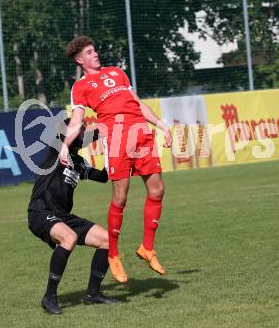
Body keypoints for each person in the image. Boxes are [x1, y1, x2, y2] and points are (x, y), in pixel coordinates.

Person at [59, 36, 172, 284]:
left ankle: (147, 248)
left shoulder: (118, 73)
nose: (95, 54)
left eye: (94, 49)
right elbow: (77, 121)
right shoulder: (81, 86)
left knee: (158, 190)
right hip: (119, 139)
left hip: (141, 134)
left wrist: (162, 126)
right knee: (120, 197)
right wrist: (65, 147)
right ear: (80, 60)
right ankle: (112, 254)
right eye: (89, 52)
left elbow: (138, 104)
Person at [28, 119, 119, 314]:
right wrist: (102, 129)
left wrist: (110, 151)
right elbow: (80, 136)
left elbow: (102, 177)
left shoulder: (77, 162)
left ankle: (93, 294)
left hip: (63, 216)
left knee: (107, 240)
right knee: (69, 238)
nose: (83, 134)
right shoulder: (56, 150)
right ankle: (49, 297)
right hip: (41, 212)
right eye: (80, 130)